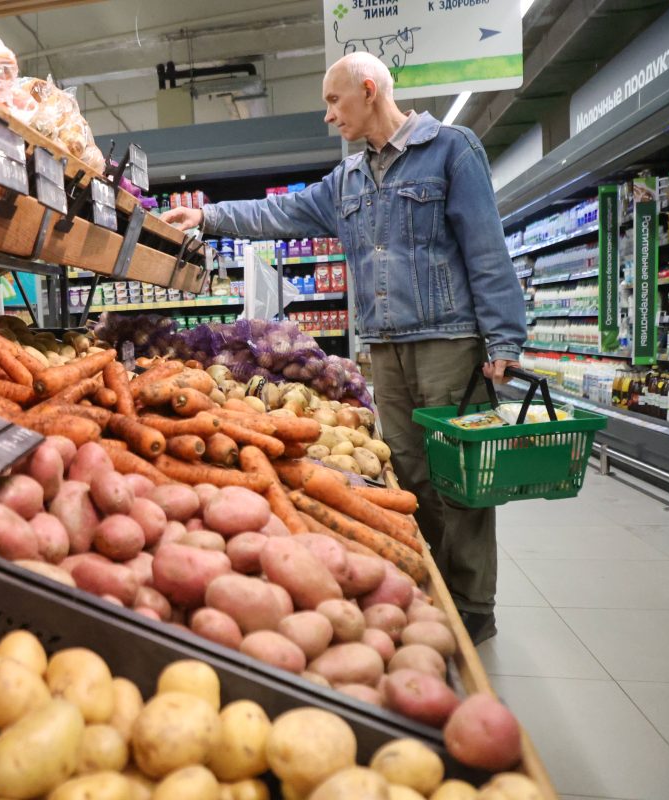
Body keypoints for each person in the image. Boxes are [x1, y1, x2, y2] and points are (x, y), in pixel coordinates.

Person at [161, 52, 526, 644]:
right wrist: (207, 216)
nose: (329, 116)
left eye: (334, 102)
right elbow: (279, 210)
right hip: (383, 346)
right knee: (410, 477)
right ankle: (429, 585)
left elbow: (487, 248)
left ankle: (473, 605)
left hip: (448, 342)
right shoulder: (350, 179)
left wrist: (505, 336)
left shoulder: (451, 150)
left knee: (459, 479)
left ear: (367, 89)